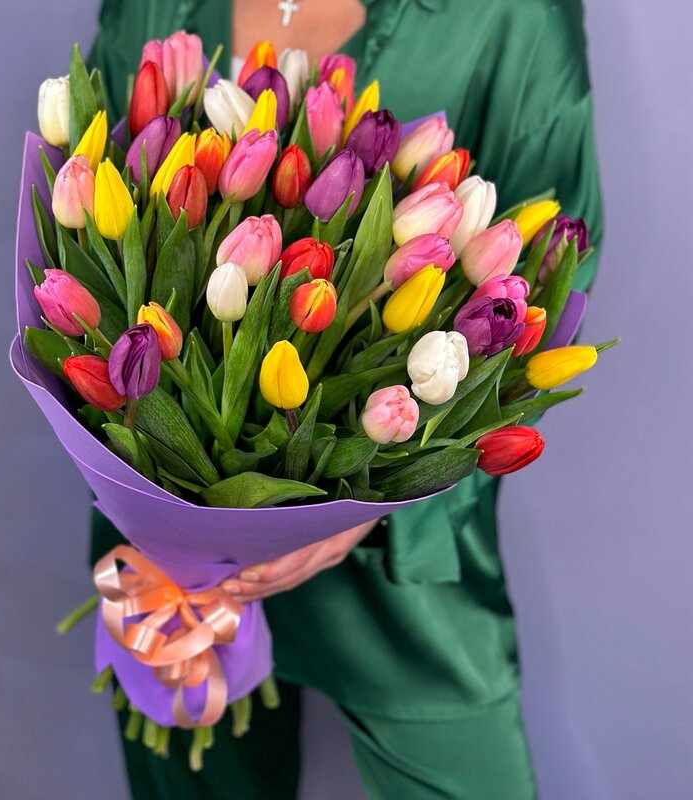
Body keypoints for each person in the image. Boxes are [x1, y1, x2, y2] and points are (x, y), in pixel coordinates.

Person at [87, 0, 602, 797]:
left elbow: (549, 286)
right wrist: (154, 480)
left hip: (400, 560)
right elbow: (102, 212)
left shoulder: (512, 16)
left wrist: (367, 509)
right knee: (193, 773)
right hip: (176, 552)